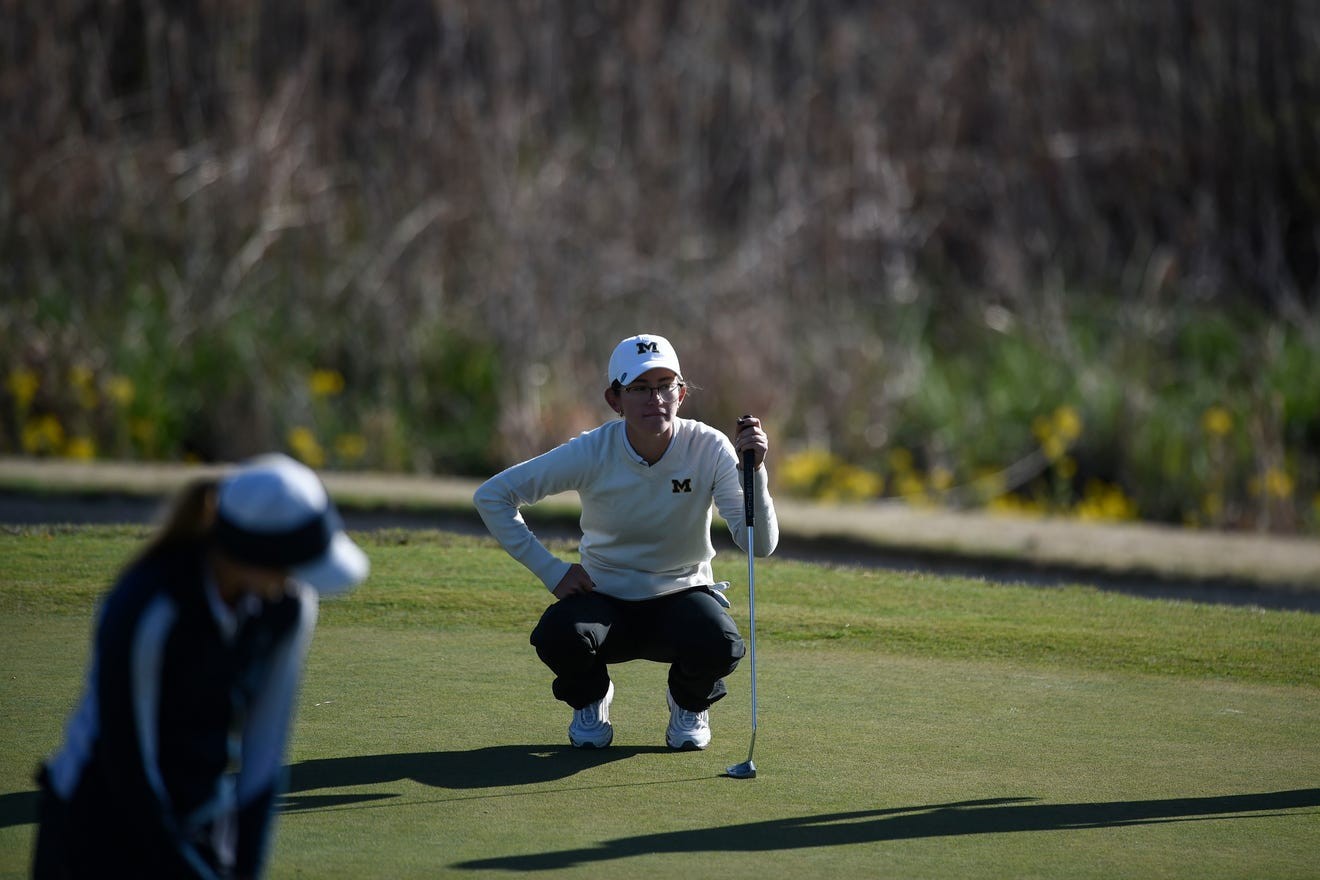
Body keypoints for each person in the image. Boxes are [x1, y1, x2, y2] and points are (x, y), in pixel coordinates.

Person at [33, 453, 369, 880]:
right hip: (93, 829)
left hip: (203, 812)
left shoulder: (290, 608)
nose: (296, 580)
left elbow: (264, 754)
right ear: (254, 554)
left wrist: (244, 868)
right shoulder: (151, 606)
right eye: (291, 566)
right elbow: (130, 764)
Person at [474, 333, 778, 750]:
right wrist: (551, 570)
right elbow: (492, 496)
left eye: (664, 385)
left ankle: (688, 703)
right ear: (615, 400)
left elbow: (758, 544)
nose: (654, 398)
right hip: (604, 598)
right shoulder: (591, 451)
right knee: (557, 635)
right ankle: (592, 698)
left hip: (682, 594)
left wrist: (755, 473)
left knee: (722, 644)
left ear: (681, 393)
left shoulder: (708, 447)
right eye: (638, 388)